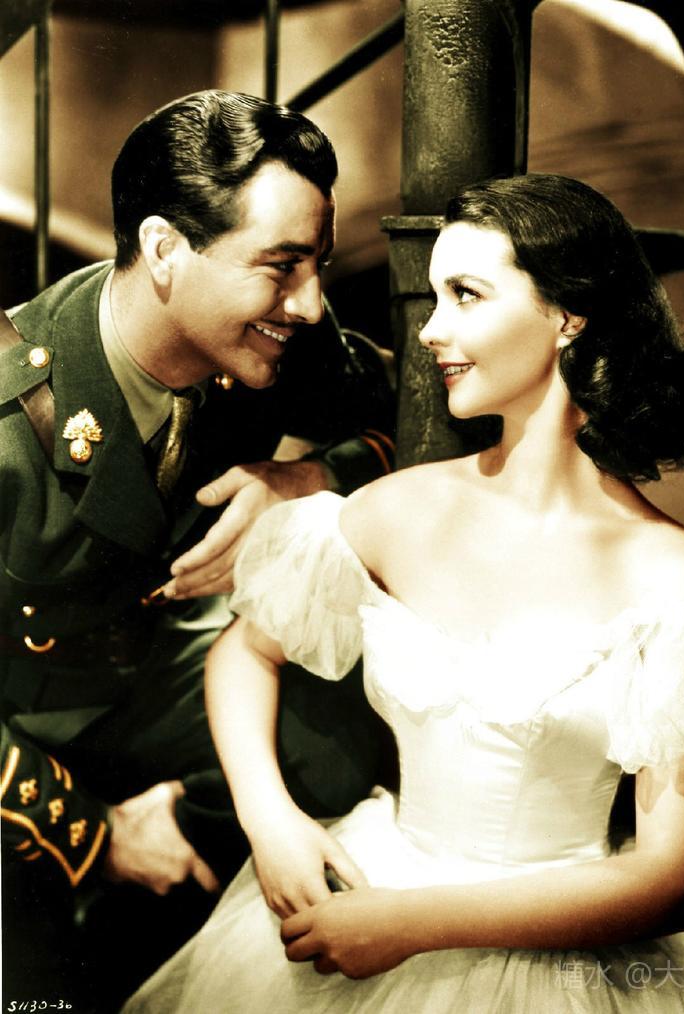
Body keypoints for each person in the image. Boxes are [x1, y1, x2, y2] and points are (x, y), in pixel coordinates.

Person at [125, 173, 684, 1013]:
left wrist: (407, 926)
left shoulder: (673, 574)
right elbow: (243, 653)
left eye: (466, 295)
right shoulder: (395, 509)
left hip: (561, 967)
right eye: (435, 296)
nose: (431, 329)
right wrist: (272, 822)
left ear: (567, 315)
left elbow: (667, 881)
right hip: (369, 886)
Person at [0, 90, 395, 1009]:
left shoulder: (277, 334)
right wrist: (95, 835)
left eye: (318, 264)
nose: (311, 303)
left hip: (145, 676)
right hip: (16, 733)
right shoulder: (8, 421)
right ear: (164, 250)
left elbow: (417, 416)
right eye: (281, 266)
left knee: (338, 742)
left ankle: (160, 866)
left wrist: (313, 478)